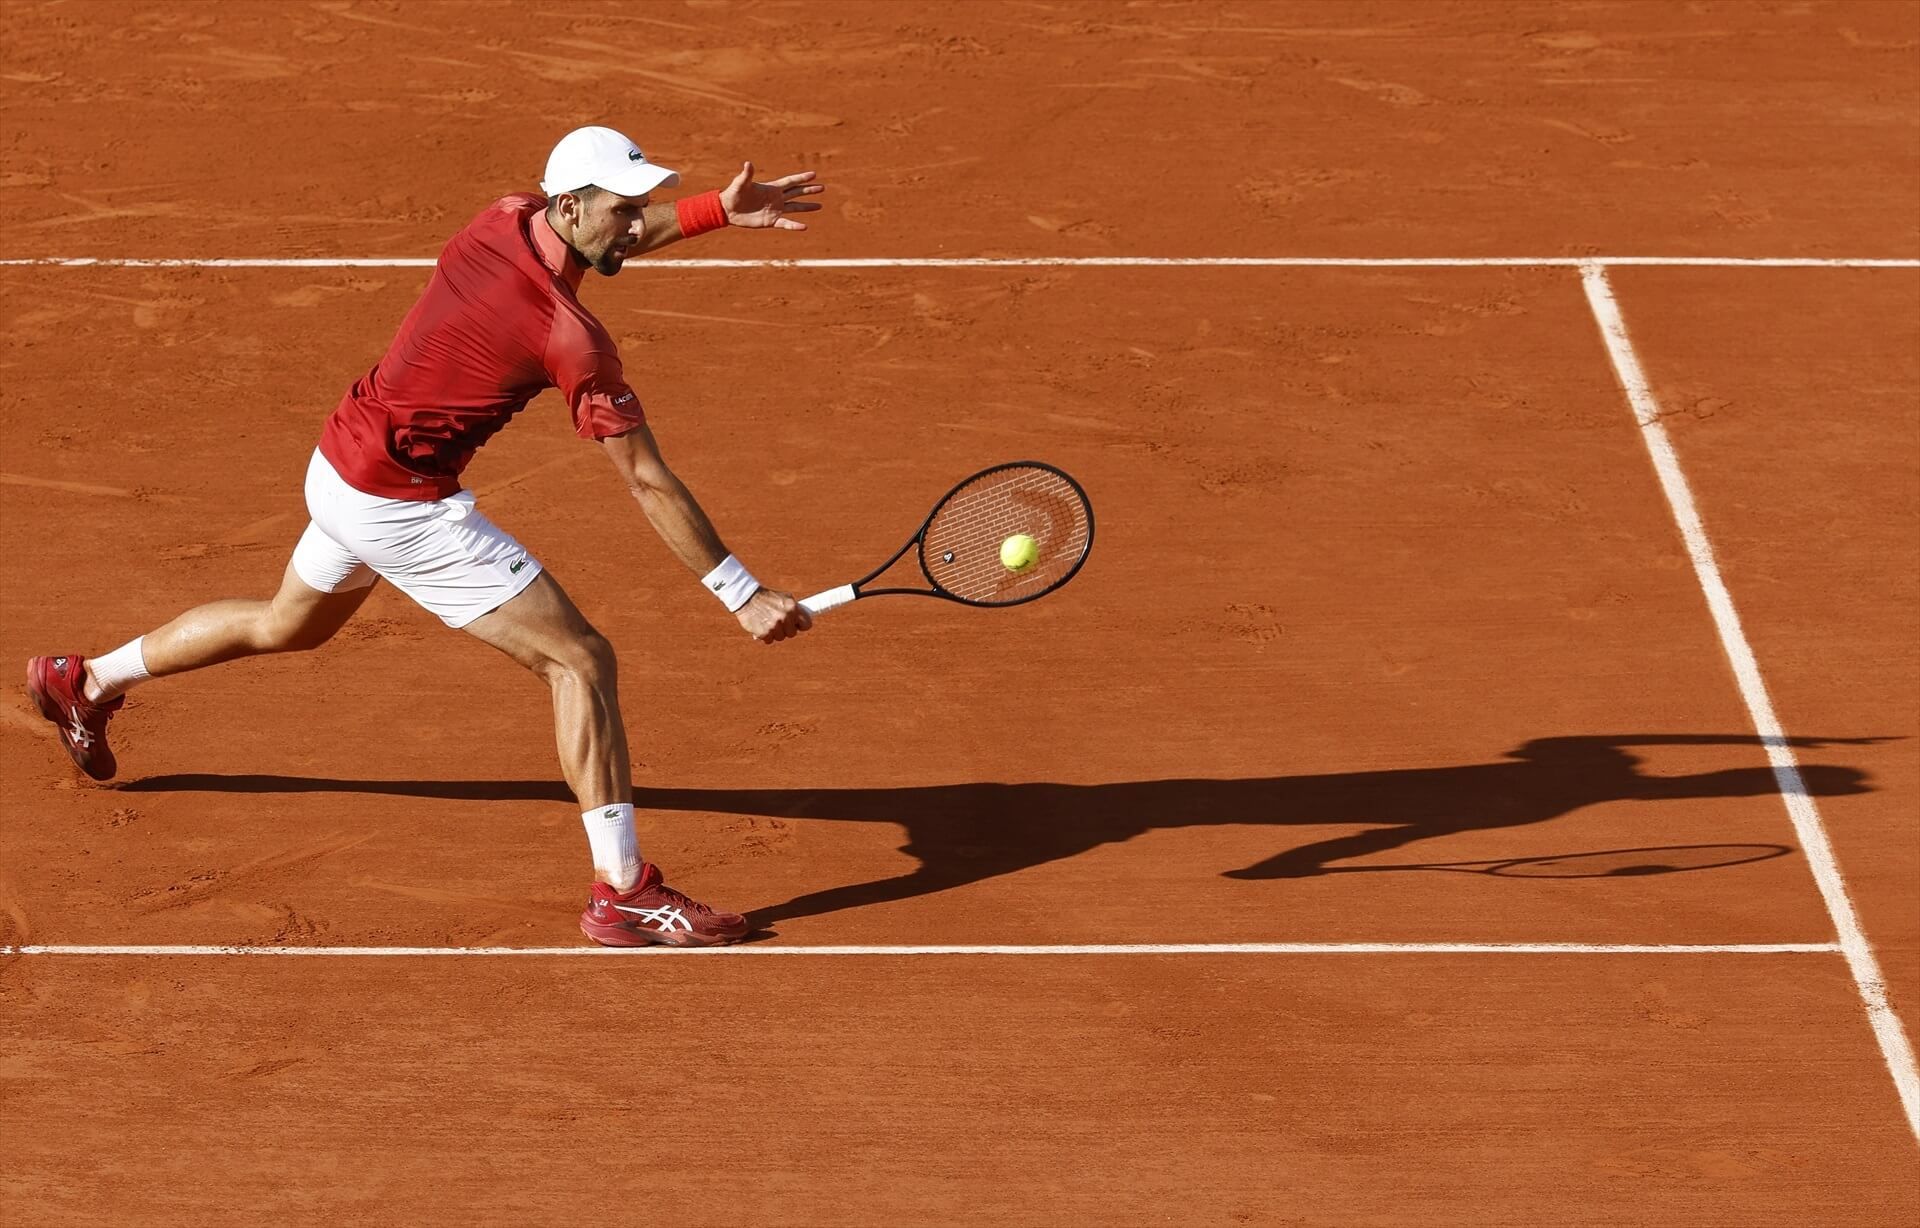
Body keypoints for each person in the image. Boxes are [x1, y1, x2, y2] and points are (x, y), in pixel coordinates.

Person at [26, 125, 823, 948]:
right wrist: (741, 590)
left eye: (641, 209)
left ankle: (82, 681)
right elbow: (645, 479)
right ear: (573, 203)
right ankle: (622, 891)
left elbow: (600, 240)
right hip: (397, 503)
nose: (635, 224)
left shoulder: (505, 216)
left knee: (283, 623)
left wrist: (709, 213)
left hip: (339, 461)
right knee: (580, 660)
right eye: (625, 210)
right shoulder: (573, 341)